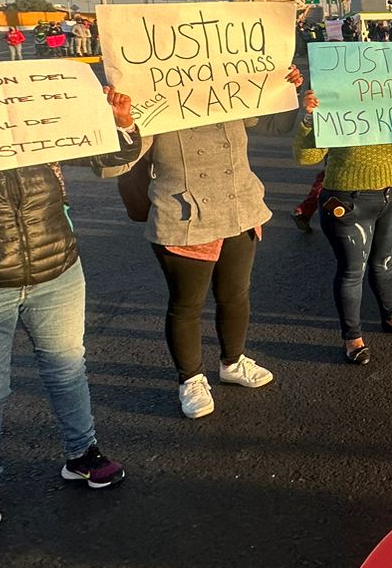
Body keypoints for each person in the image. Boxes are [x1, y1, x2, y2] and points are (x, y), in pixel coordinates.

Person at [0, 86, 138, 537]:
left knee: (67, 369)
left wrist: (121, 122)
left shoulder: (45, 130)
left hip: (57, 272)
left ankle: (82, 454)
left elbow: (112, 161)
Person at [103, 65, 303, 419]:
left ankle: (233, 361)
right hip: (184, 217)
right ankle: (191, 378)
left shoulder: (230, 96)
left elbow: (277, 125)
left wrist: (283, 89)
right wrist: (123, 124)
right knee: (186, 305)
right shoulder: (155, 104)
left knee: (235, 294)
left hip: (239, 209)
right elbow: (113, 166)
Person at [294, 91, 392, 366]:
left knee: (384, 263)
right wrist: (308, 117)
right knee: (353, 270)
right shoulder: (335, 101)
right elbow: (306, 157)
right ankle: (352, 337)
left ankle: (391, 316)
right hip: (347, 200)